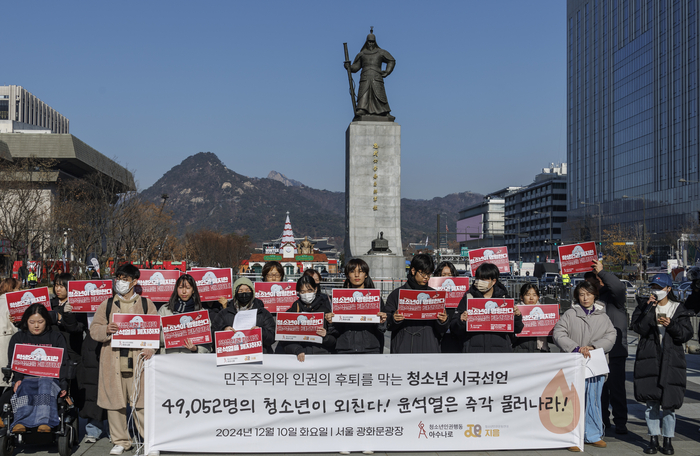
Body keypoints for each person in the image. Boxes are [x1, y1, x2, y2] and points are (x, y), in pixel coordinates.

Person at [89, 264, 158, 455]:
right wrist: (106, 330)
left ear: (134, 281)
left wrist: (150, 348)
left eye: (124, 279)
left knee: (141, 404)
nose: (120, 282)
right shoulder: (107, 304)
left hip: (138, 362)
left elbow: (155, 331)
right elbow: (94, 329)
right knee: (115, 405)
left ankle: (149, 441)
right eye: (118, 277)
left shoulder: (146, 304)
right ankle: (120, 441)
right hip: (113, 362)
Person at [632, 273, 693, 455]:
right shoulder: (645, 306)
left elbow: (685, 335)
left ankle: (668, 439)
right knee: (651, 402)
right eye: (653, 287)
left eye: (659, 288)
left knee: (669, 403)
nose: (656, 291)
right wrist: (649, 308)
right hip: (649, 357)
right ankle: (653, 438)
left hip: (672, 359)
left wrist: (671, 325)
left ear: (668, 289)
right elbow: (639, 328)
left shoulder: (678, 308)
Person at [553, 281, 616, 452]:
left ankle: (593, 435)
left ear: (595, 295)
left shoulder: (603, 316)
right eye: (581, 294)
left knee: (593, 400)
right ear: (577, 296)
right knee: (573, 400)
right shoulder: (570, 314)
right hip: (573, 363)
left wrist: (595, 347)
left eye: (588, 294)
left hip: (595, 365)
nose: (585, 297)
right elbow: (558, 333)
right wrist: (575, 347)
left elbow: (611, 335)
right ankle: (572, 437)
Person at [50, 273, 104, 443]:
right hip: (52, 353)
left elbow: (77, 327)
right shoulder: (50, 303)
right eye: (56, 285)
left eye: (63, 285)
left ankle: (88, 428)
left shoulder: (78, 304)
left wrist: (66, 316)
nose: (59, 289)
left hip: (75, 352)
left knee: (79, 390)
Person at [6, 303, 69, 433]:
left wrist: (64, 384)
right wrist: (17, 378)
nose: (36, 325)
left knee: (45, 383)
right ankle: (21, 421)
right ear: (26, 322)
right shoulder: (18, 338)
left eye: (40, 322)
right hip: (26, 377)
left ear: (46, 321)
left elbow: (64, 362)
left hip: (50, 379)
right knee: (24, 385)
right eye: (32, 322)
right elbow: (14, 361)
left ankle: (44, 420)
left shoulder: (56, 337)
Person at [585, 259, 629, 434]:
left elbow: (617, 287)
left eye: (595, 280)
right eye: (589, 282)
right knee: (598, 389)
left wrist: (601, 271)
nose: (592, 284)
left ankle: (620, 422)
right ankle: (602, 420)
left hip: (616, 351)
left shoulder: (614, 299)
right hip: (595, 352)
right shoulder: (588, 302)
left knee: (616, 388)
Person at [450, 263, 523, 353]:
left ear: (493, 281)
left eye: (484, 279)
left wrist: (517, 317)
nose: (479, 282)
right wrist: (461, 321)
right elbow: (454, 327)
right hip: (474, 351)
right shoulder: (468, 298)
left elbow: (518, 329)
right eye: (477, 278)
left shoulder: (505, 300)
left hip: (500, 351)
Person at [385, 254, 448, 353]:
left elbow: (442, 329)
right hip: (403, 346)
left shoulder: (435, 295)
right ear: (413, 271)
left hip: (429, 346)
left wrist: (443, 321)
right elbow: (386, 324)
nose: (426, 278)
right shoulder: (396, 294)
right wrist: (394, 319)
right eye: (423, 274)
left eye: (429, 274)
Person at [325, 259, 387, 354]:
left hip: (370, 349)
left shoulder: (375, 298)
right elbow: (335, 332)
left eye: (361, 271)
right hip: (345, 349)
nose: (356, 275)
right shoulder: (338, 299)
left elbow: (382, 329)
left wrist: (382, 321)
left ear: (366, 275)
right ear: (347, 275)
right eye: (352, 271)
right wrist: (331, 323)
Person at [275, 275, 336, 361]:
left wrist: (326, 336)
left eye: (309, 290)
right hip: (298, 359)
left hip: (322, 357)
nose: (306, 294)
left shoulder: (325, 310)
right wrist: (297, 350)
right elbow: (284, 339)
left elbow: (334, 340)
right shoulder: (292, 311)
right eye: (303, 292)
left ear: (315, 289)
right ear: (298, 292)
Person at [213, 277, 276, 354]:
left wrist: (261, 331)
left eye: (247, 290)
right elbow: (213, 334)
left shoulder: (262, 313)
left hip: (258, 356)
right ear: (235, 293)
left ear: (252, 292)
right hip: (232, 356)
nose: (244, 293)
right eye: (240, 291)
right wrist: (223, 331)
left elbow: (273, 336)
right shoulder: (224, 313)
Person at [345, 28, 396, 118]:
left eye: (372, 42)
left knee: (380, 94)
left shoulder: (381, 52)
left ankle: (384, 111)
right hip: (365, 77)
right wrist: (349, 67)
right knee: (363, 93)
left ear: (375, 42)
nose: (371, 43)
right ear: (366, 42)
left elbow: (391, 60)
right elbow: (356, 67)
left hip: (377, 77)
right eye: (369, 42)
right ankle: (362, 109)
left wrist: (387, 71)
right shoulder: (362, 54)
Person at [158, 274, 212, 354]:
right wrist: (172, 337)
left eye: (188, 288)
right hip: (169, 359)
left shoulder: (200, 313)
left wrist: (196, 349)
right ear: (176, 289)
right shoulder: (165, 310)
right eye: (180, 287)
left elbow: (207, 343)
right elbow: (154, 336)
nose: (184, 291)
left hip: (190, 361)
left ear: (193, 290)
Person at [433, 261, 463, 353]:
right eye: (444, 274)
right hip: (438, 337)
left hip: (455, 337)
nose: (447, 277)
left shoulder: (462, 293)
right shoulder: (432, 292)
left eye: (450, 274)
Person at [511, 283, 550, 353]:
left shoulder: (545, 312)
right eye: (528, 295)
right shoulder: (515, 311)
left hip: (540, 350)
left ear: (538, 297)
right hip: (519, 350)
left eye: (534, 295)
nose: (531, 298)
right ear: (521, 297)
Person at [0, 279, 19, 390]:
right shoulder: (13, 304)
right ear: (12, 288)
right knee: (6, 383)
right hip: (6, 344)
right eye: (18, 288)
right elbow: (16, 329)